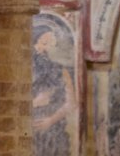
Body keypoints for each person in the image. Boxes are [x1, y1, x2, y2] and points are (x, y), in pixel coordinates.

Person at [32, 25, 76, 154]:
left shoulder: (61, 71)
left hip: (54, 130)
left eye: (51, 43)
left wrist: (51, 120)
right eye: (43, 43)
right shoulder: (23, 70)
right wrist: (34, 103)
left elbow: (71, 104)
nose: (46, 48)